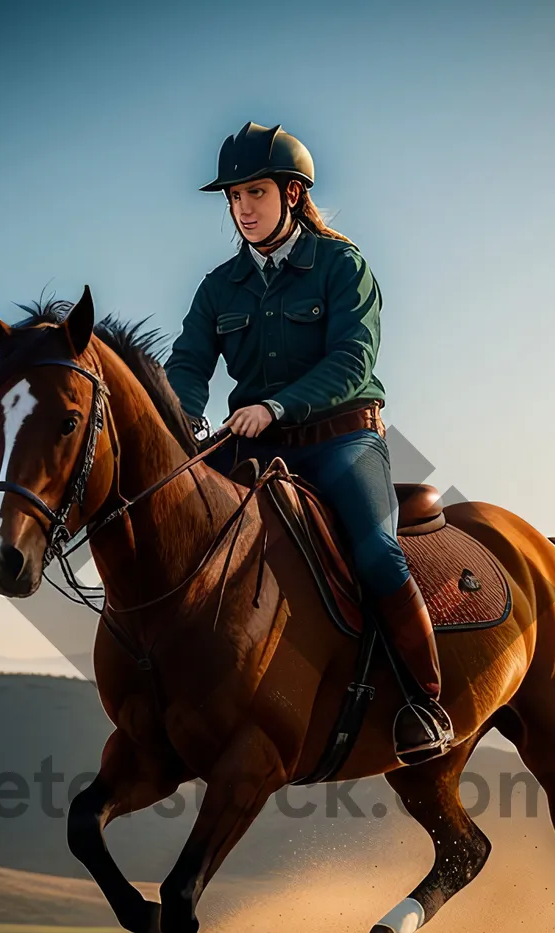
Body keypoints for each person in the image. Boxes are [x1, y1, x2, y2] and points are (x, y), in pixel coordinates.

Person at [165, 121, 453, 765]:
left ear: (292, 194)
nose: (242, 208)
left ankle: (424, 703)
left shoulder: (342, 266)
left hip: (340, 439)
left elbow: (354, 360)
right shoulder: (217, 288)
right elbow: (187, 367)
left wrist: (275, 404)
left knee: (378, 553)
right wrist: (179, 426)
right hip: (251, 449)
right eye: (233, 197)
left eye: (256, 193)